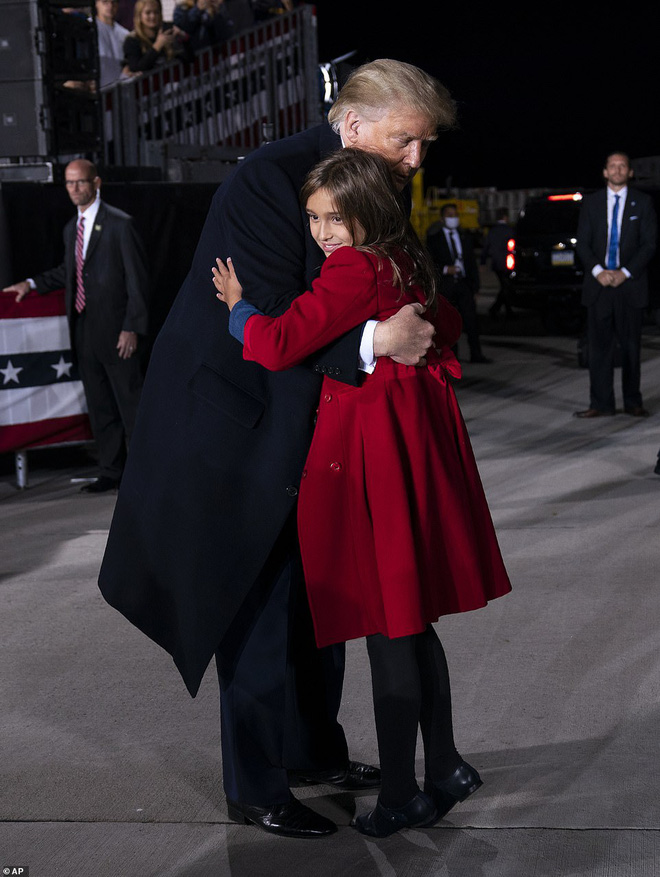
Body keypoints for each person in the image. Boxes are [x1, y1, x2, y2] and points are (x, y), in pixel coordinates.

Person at [98, 59, 457, 839]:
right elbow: (273, 321)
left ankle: (314, 751)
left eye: (423, 145)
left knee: (315, 598)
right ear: (354, 126)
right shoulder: (270, 180)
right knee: (258, 605)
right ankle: (257, 783)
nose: (416, 160)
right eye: (407, 141)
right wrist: (375, 341)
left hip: (312, 423)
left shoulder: (373, 181)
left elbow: (376, 283)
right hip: (240, 419)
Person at [212, 147, 512, 837]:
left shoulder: (353, 267)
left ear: (365, 211)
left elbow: (281, 342)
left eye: (335, 217)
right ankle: (443, 766)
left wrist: (239, 310)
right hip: (409, 439)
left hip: (374, 447)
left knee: (388, 623)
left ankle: (406, 790)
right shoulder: (403, 255)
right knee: (412, 621)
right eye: (314, 218)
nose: (323, 233)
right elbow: (452, 327)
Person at [2, 160, 149, 493]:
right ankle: (112, 472)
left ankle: (145, 473)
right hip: (84, 331)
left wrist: (132, 327)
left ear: (96, 182)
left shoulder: (120, 225)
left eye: (80, 182)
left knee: (131, 405)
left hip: (118, 333)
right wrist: (30, 283)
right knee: (100, 407)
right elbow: (68, 273)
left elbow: (138, 282)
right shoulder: (73, 228)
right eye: (69, 184)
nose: (74, 189)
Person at [574, 152, 657, 418]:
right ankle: (601, 403)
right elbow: (583, 243)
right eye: (613, 166)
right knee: (599, 349)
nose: (618, 169)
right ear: (605, 172)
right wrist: (599, 271)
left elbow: (649, 244)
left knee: (631, 346)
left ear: (630, 172)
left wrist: (625, 272)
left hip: (629, 286)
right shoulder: (592, 203)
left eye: (623, 166)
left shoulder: (643, 203)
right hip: (599, 287)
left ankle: (633, 402)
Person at [427, 204, 492, 363]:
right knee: (449, 323)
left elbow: (471, 264)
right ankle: (452, 356)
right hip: (446, 286)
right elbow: (429, 262)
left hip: (463, 285)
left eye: (455, 215)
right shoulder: (435, 239)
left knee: (471, 321)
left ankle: (476, 354)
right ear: (443, 218)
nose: (453, 218)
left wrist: (475, 286)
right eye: (450, 215)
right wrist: (444, 270)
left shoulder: (464, 237)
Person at [122, 0, 192, 75]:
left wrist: (184, 37)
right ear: (140, 15)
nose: (153, 16)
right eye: (148, 13)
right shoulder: (132, 40)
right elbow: (136, 68)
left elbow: (189, 58)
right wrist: (157, 46)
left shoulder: (168, 30)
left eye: (156, 12)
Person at [482, 207, 514, 320]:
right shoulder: (509, 230)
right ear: (505, 217)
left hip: (496, 262)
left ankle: (504, 310)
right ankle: (499, 309)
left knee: (505, 286)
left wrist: (483, 262)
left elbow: (486, 247)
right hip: (507, 263)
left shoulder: (492, 231)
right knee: (506, 287)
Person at [95, 0, 130, 89]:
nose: (110, 6)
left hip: (120, 88)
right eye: (105, 2)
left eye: (113, 2)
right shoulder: (89, 29)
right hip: (99, 88)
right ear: (96, 4)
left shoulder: (125, 34)